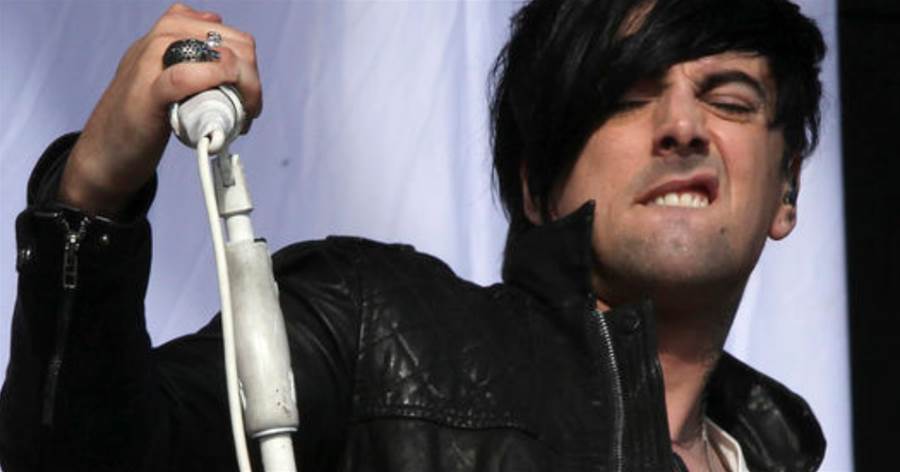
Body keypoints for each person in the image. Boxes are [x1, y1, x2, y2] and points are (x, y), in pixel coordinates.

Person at [0, 0, 827, 471]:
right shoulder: (370, 324)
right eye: (627, 98)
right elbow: (83, 457)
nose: (682, 126)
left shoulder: (780, 450)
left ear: (786, 188)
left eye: (729, 100)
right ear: (535, 184)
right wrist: (91, 196)